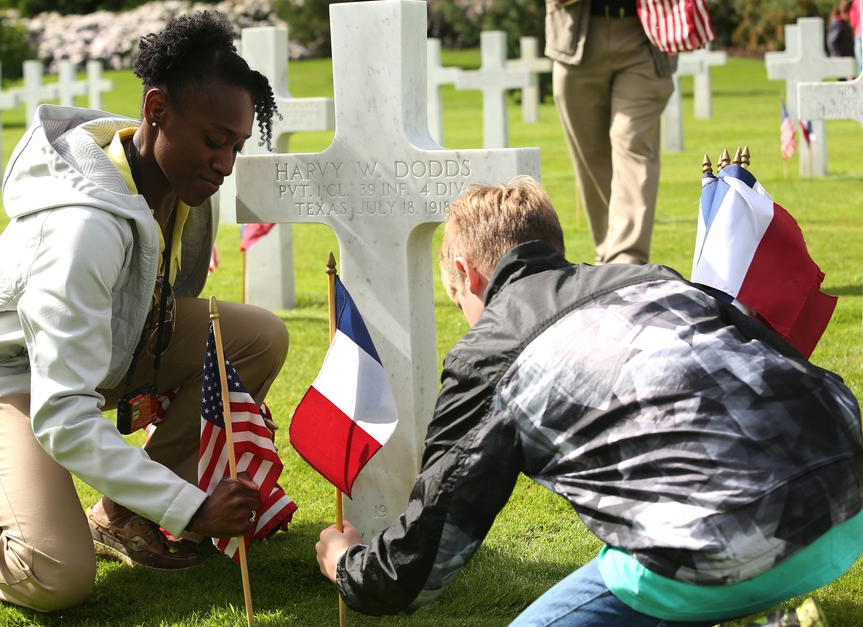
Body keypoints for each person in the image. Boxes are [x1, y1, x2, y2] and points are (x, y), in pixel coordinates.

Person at [315, 177, 863, 625]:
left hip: (724, 545)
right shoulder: (653, 279)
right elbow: (781, 357)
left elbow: (426, 555)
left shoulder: (489, 352)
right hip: (849, 497)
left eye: (457, 299)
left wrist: (350, 566)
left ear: (465, 274)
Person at [0, 12, 289, 612]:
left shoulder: (181, 190)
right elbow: (62, 413)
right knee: (54, 574)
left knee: (256, 337)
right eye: (213, 139)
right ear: (156, 111)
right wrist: (190, 504)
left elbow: (162, 308)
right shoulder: (84, 228)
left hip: (103, 350)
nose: (226, 163)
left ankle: (120, 516)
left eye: (236, 145)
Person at [504, 0, 675, 265]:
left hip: (644, 38)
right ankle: (608, 253)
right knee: (591, 157)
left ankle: (626, 261)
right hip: (576, 40)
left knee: (632, 143)